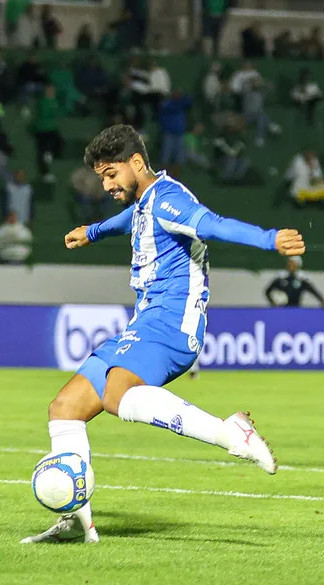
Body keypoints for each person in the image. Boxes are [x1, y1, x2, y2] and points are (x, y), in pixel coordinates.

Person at [22, 124, 305, 545]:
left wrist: (269, 239)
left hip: (173, 324)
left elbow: (212, 225)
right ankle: (76, 520)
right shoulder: (145, 202)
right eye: (101, 176)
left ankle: (232, 433)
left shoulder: (169, 199)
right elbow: (129, 220)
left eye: (111, 173)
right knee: (64, 408)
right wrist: (93, 231)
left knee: (117, 394)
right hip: (144, 323)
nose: (106, 184)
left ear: (136, 163)